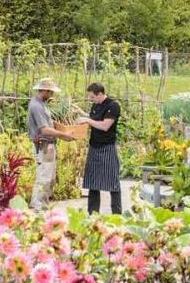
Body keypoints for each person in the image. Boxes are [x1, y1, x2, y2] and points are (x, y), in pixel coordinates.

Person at [27, 78, 75, 209]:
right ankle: (38, 205)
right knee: (44, 175)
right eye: (51, 92)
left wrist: (61, 128)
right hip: (44, 145)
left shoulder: (41, 104)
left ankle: (42, 204)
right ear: (45, 91)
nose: (52, 95)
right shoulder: (37, 106)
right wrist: (64, 135)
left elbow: (49, 123)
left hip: (47, 144)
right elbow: (44, 129)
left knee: (49, 175)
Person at [77, 82, 123, 214]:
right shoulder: (96, 105)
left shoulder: (113, 106)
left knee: (113, 182)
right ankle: (92, 214)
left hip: (107, 148)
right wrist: (82, 115)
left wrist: (88, 121)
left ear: (100, 94)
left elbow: (105, 126)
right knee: (92, 182)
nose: (91, 100)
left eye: (92, 97)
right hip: (94, 147)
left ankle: (117, 214)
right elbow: (93, 118)